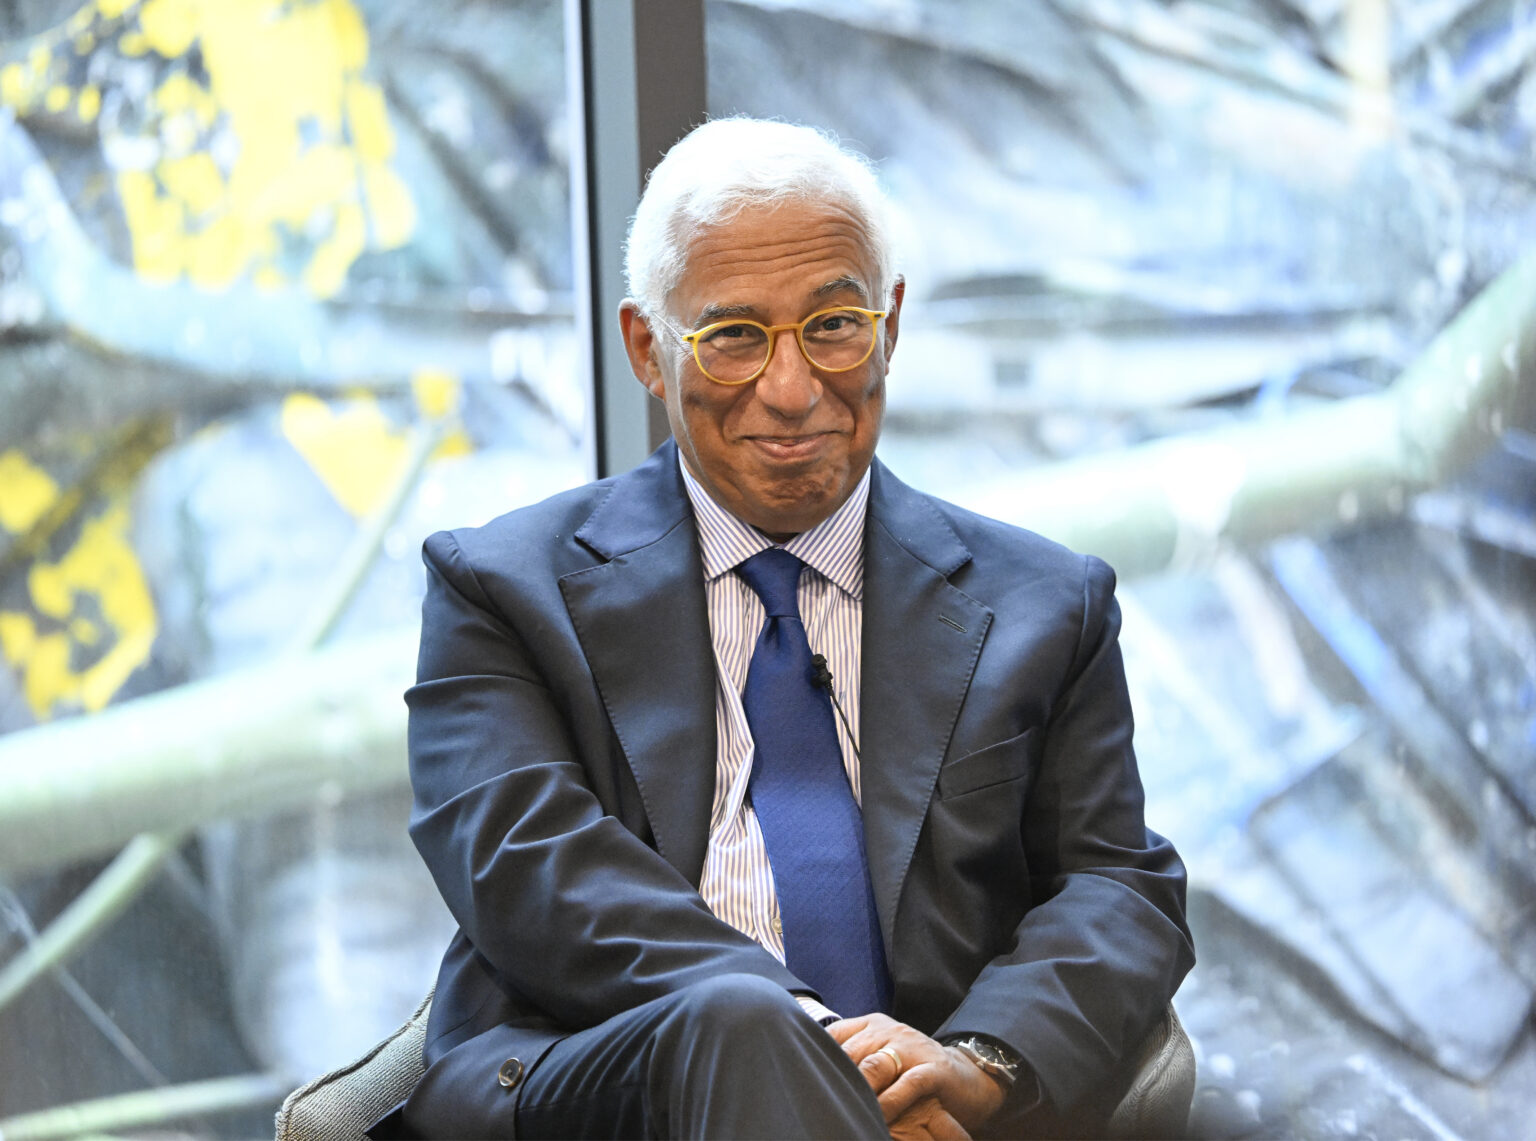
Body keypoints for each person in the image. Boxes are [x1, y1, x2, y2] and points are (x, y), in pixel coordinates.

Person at [372, 117, 1194, 1140]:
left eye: (835, 324)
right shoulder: (503, 591)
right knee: (736, 1019)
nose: (794, 389)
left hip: (926, 1106)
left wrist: (978, 1062)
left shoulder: (1047, 604)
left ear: (891, 324)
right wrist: (812, 1045)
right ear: (647, 348)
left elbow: (1118, 885)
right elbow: (531, 868)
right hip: (608, 1090)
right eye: (733, 338)